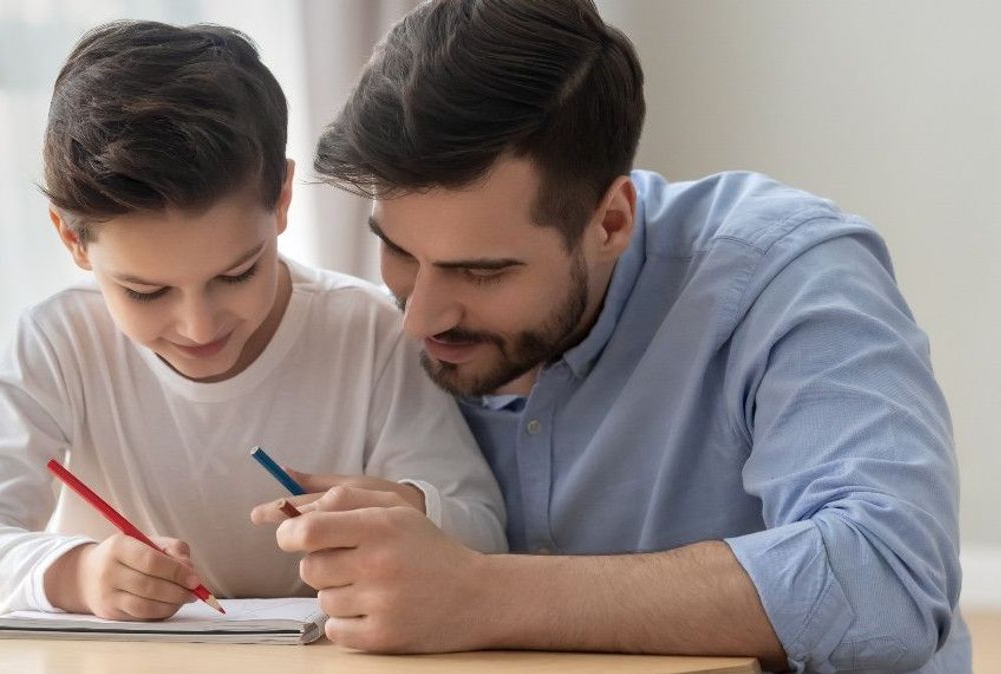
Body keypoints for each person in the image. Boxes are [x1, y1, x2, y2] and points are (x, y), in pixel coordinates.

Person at [252, 1, 969, 671]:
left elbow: (889, 579)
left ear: (611, 222)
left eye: (483, 271)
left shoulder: (782, 273)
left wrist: (480, 593)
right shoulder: (372, 329)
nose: (421, 318)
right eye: (400, 252)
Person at [0, 20, 505, 622]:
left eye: (237, 274)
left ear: (281, 200)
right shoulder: (60, 343)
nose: (198, 328)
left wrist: (410, 510)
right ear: (73, 239)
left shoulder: (372, 332)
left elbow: (485, 527)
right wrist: (79, 574)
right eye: (145, 291)